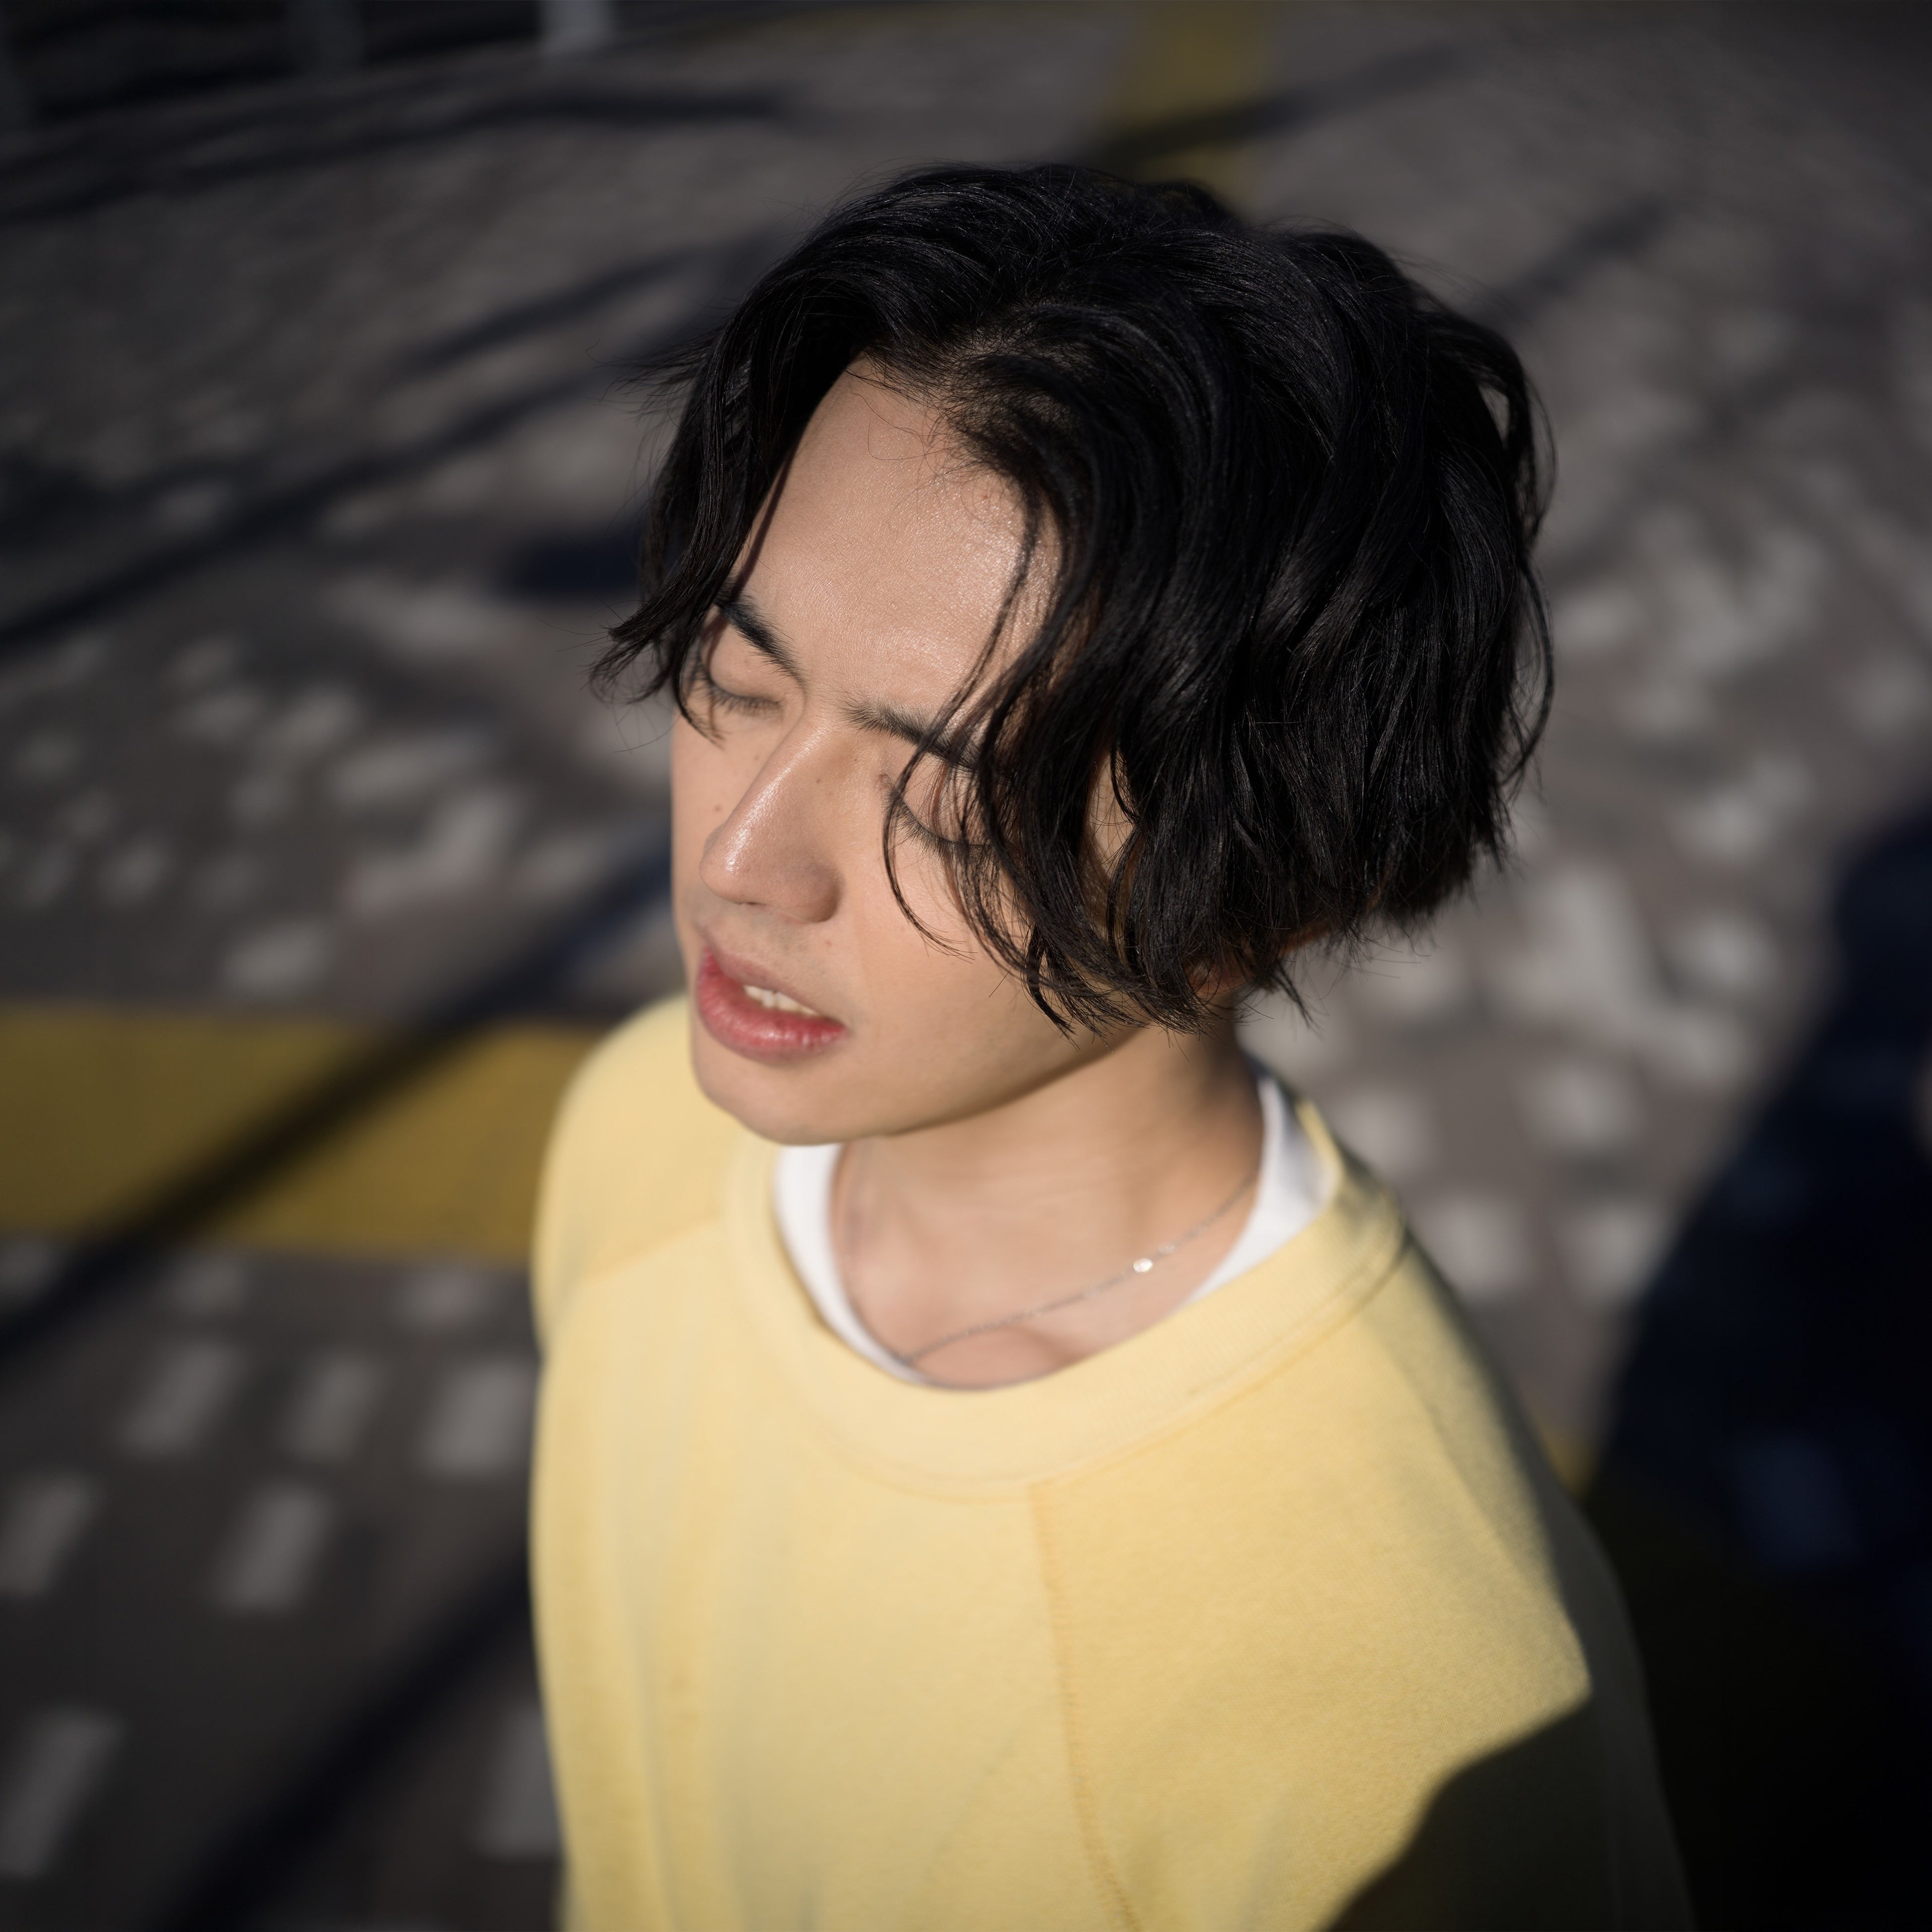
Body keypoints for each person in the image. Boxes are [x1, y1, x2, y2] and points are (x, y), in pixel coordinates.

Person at [532, 164, 1690, 1931]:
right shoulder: (642, 1131)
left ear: (1270, 897)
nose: (742, 858)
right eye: (739, 682)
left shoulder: (1404, 1711)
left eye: (940, 800)